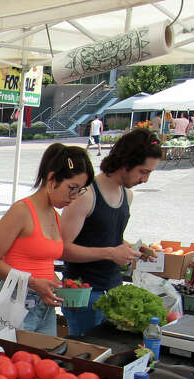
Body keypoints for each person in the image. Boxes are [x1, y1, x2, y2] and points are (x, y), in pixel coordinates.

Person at [0, 144, 95, 335]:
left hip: (44, 308)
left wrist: (63, 290)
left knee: (43, 362)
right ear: (52, 179)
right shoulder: (21, 211)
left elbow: (43, 264)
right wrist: (33, 283)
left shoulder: (55, 216)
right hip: (14, 304)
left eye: (80, 191)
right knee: (10, 363)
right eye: (72, 188)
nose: (75, 197)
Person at [59, 128, 162, 336]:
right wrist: (110, 253)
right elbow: (61, 248)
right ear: (125, 163)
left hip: (114, 289)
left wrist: (134, 248)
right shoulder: (85, 195)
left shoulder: (128, 195)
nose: (146, 179)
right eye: (143, 171)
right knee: (87, 357)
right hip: (84, 295)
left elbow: (107, 237)